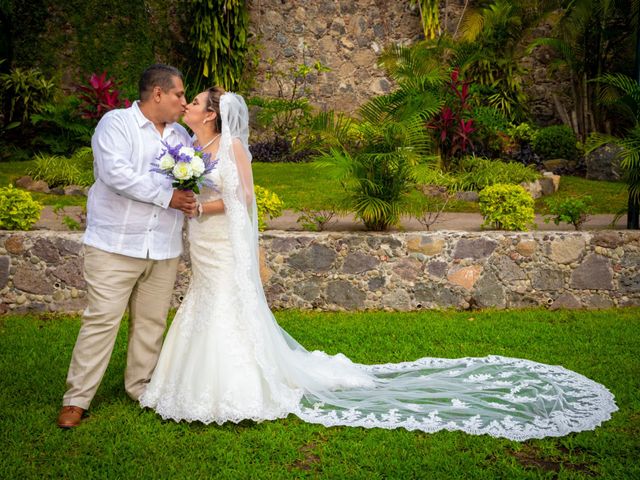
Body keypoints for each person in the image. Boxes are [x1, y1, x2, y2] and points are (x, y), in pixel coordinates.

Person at [140, 88, 618, 441]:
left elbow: (242, 198)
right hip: (199, 238)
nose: (189, 106)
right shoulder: (191, 148)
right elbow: (193, 183)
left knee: (226, 299)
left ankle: (241, 386)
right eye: (191, 101)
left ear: (213, 116)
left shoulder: (232, 148)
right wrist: (187, 194)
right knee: (204, 296)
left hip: (219, 235)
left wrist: (202, 207)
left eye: (196, 102)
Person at [57, 64, 196, 428]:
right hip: (115, 245)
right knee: (102, 321)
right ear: (158, 94)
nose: (183, 101)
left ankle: (142, 387)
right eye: (180, 94)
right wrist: (167, 196)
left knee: (150, 324)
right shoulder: (116, 124)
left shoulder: (181, 135)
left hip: (163, 247)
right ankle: (77, 399)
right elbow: (115, 175)